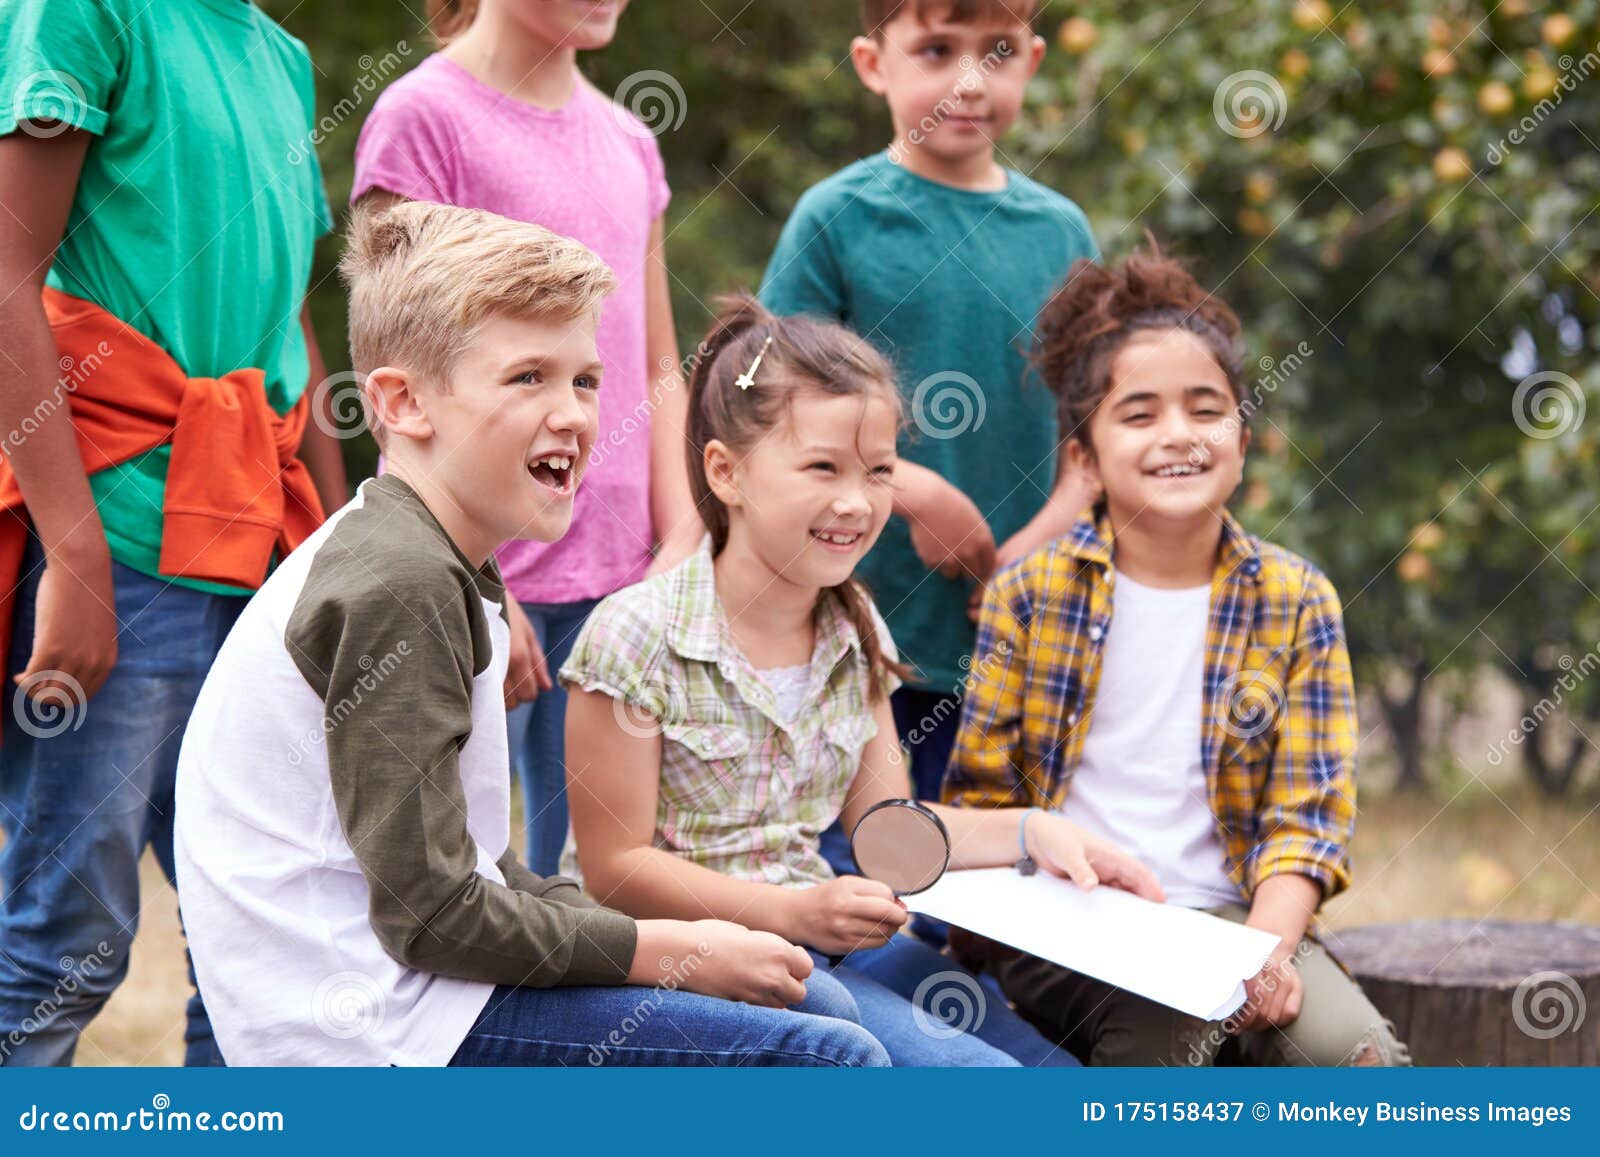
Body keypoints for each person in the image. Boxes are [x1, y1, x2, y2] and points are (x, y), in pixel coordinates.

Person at [171, 201, 889, 1069]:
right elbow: (432, 916)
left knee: (820, 996)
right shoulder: (400, 582)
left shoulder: (438, 558)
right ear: (402, 401)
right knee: (829, 1058)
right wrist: (671, 951)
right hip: (364, 1035)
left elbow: (484, 871)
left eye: (585, 380)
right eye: (528, 379)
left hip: (420, 991)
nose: (575, 415)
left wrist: (687, 936)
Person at [560, 296, 1162, 1067]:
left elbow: (886, 827)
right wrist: (793, 910)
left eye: (879, 471)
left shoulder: (854, 630)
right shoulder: (636, 636)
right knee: (981, 1081)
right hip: (692, 965)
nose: (856, 501)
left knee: (1051, 1078)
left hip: (822, 942)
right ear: (726, 472)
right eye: (822, 467)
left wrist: (1029, 832)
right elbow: (614, 872)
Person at [945, 243, 1410, 1067]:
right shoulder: (1029, 594)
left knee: (1356, 1056)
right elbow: (976, 801)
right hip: (1071, 923)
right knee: (1163, 1032)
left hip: (1233, 920)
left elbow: (1306, 822)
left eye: (1206, 408)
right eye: (1139, 413)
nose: (1178, 436)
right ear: (1084, 457)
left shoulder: (1297, 601)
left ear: (1242, 434)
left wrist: (1264, 951)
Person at [0, 0, 345, 1066]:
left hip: (257, 550)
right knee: (68, 935)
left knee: (258, 947)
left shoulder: (279, 56)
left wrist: (335, 555)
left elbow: (289, 325)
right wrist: (74, 552)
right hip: (121, 537)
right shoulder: (85, 11)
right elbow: (8, 275)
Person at [351, 0, 700, 874]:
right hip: (487, 582)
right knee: (474, 877)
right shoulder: (423, 118)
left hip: (624, 583)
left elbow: (659, 361)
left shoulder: (630, 141)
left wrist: (684, 537)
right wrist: (478, 583)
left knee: (603, 882)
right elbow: (400, 374)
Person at [759, 0, 1100, 874]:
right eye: (937, 50)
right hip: (872, 645)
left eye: (998, 52)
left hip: (1028, 641)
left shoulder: (1062, 232)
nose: (969, 80)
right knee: (884, 883)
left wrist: (1033, 541)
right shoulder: (836, 218)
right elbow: (769, 406)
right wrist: (914, 491)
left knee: (1018, 892)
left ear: (1033, 58)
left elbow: (1095, 433)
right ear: (874, 63)